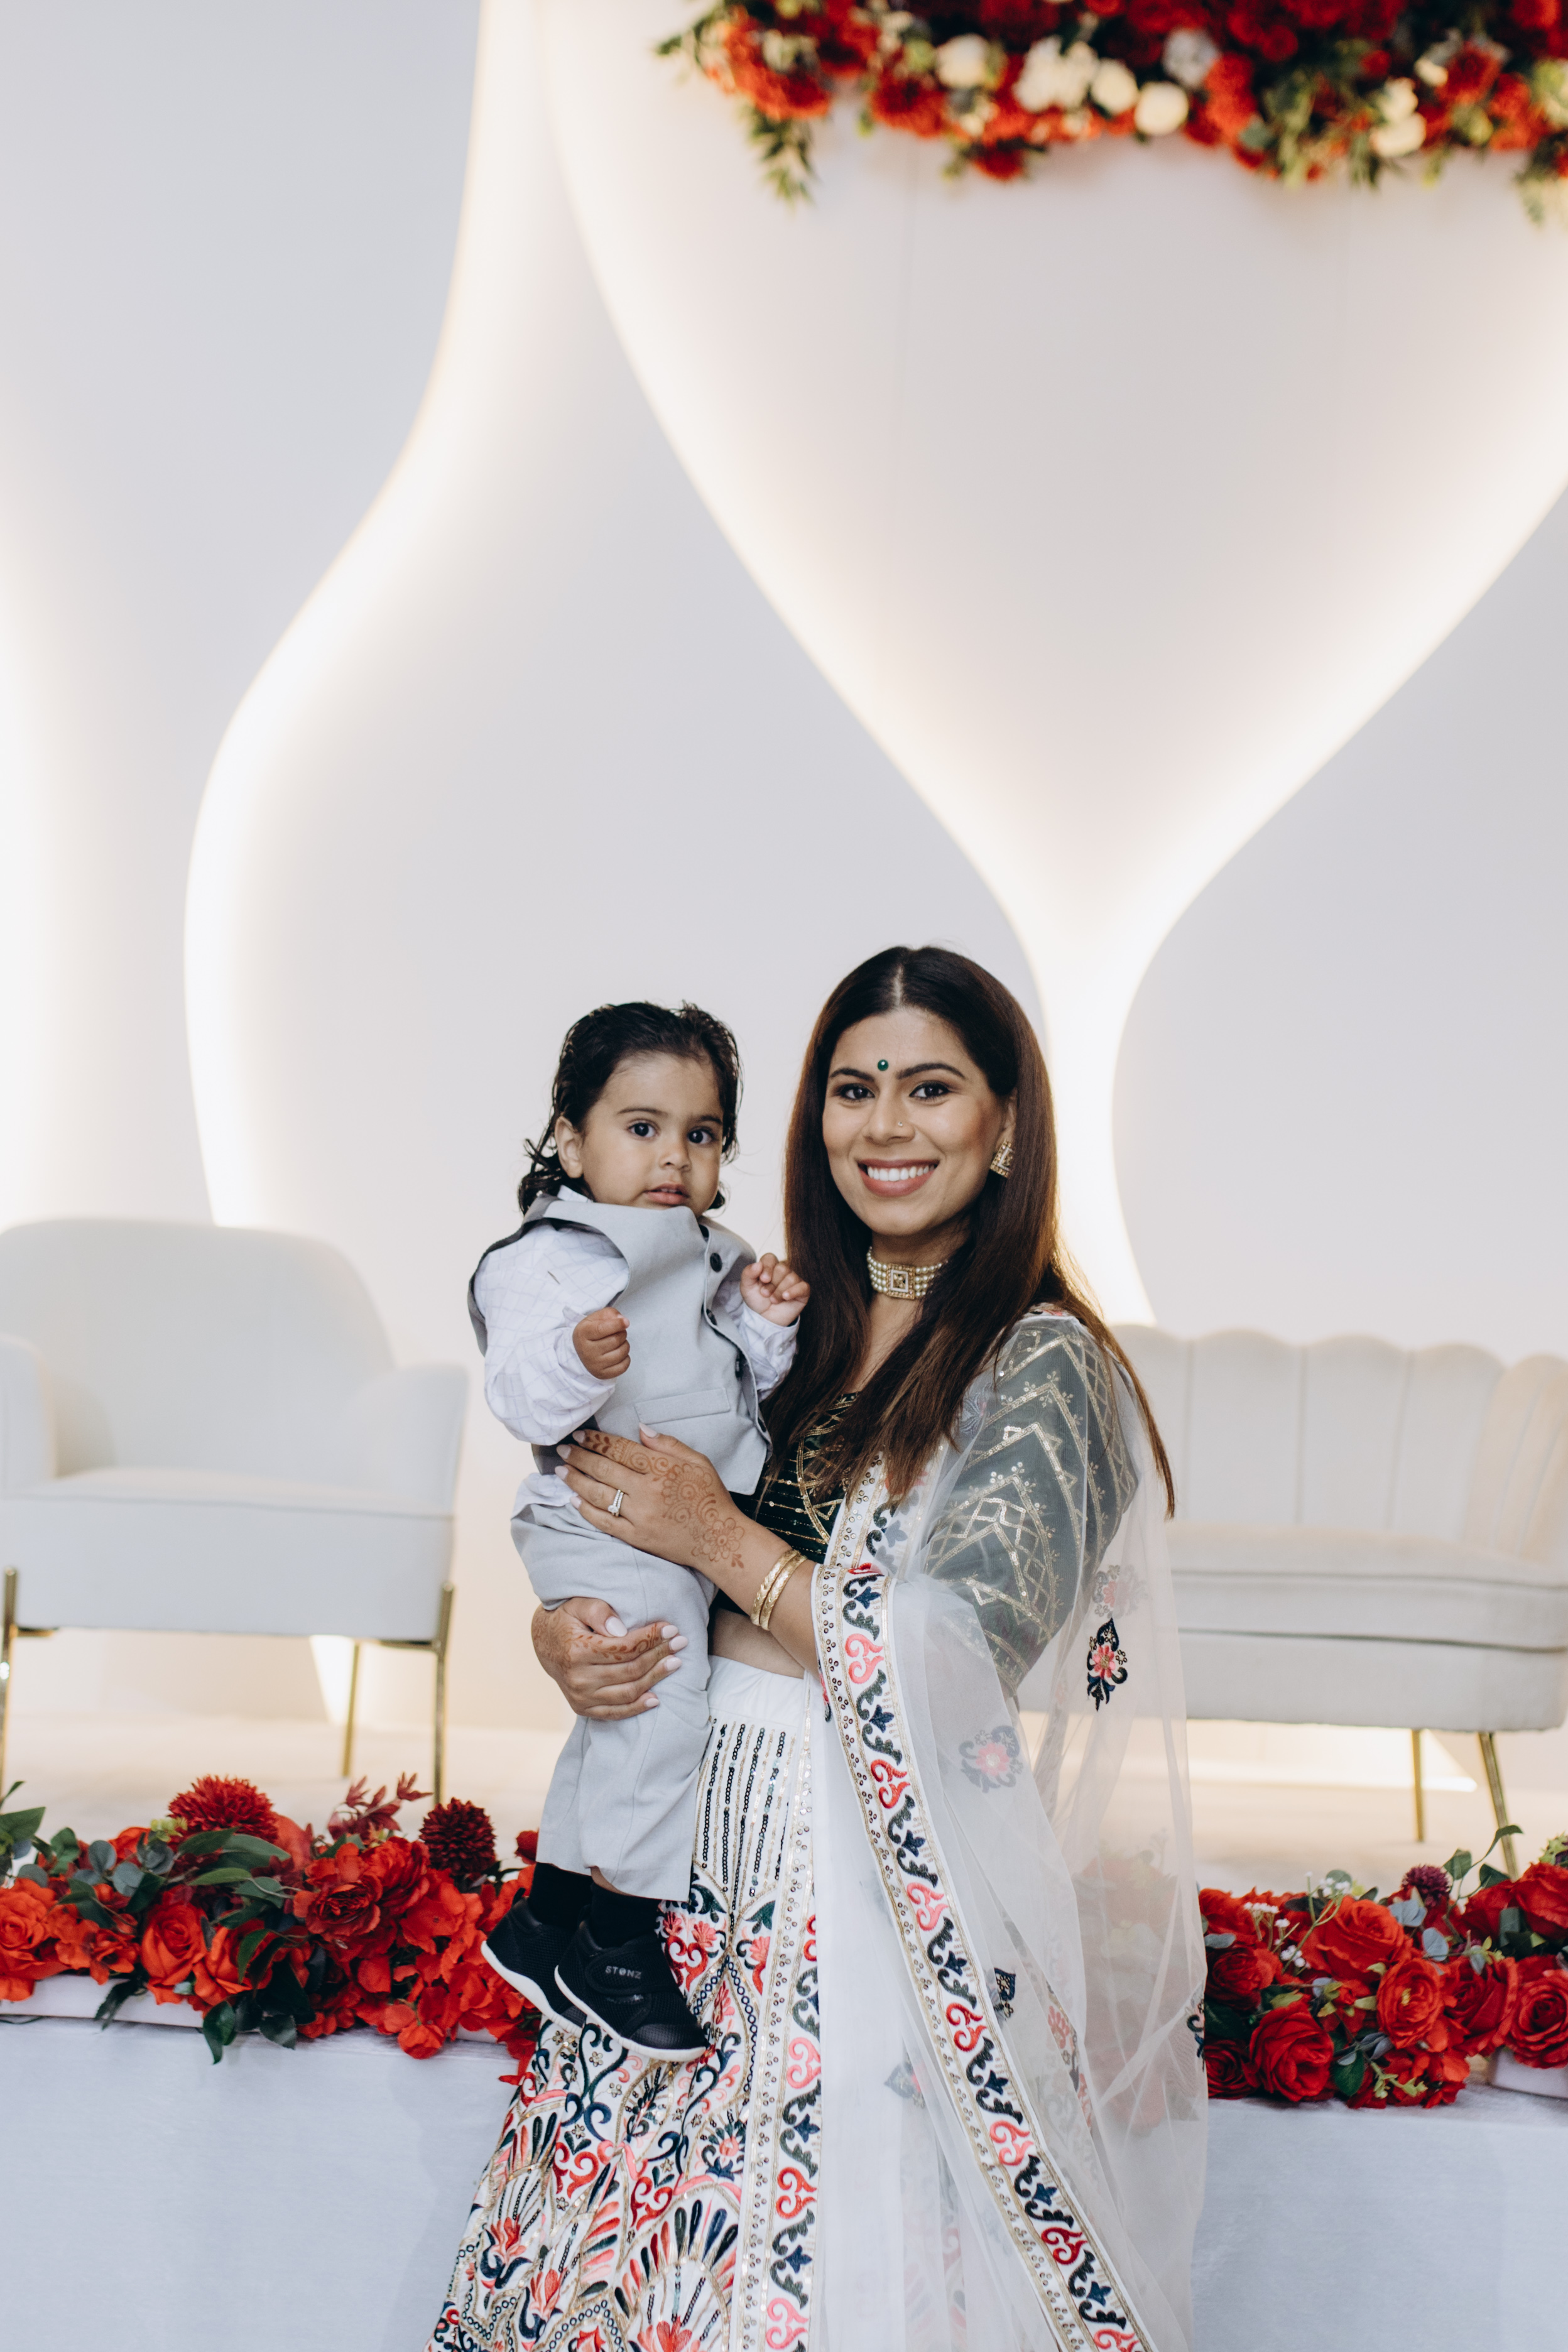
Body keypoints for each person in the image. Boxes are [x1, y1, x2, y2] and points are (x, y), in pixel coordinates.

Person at [430, 947, 1206, 2352]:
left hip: (869, 1888)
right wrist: (566, 1631)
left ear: (1008, 1124)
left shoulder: (1044, 1365)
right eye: (853, 1090)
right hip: (686, 1865)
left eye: (930, 1089)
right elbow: (623, 1501)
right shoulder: (785, 1321)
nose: (884, 1125)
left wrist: (721, 1540)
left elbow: (959, 1658)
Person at [468, 1001, 808, 2058]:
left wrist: (767, 1325)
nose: (673, 1157)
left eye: (701, 1134)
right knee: (661, 1695)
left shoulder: (712, 1255)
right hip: (601, 1515)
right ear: (572, 1142)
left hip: (685, 1526)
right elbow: (520, 1397)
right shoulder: (549, 1260)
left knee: (623, 1717)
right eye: (642, 1127)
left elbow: (735, 1387)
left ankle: (547, 1918)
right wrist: (576, 1359)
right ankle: (618, 1936)